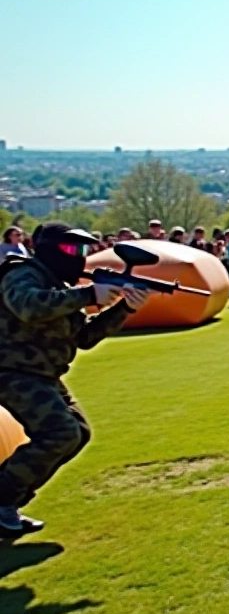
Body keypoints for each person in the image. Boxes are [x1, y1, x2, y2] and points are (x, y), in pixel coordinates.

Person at [0, 223, 149, 537]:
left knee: (77, 432)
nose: (79, 258)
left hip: (43, 374)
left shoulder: (59, 283)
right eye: (71, 250)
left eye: (84, 251)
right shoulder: (22, 274)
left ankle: (7, 502)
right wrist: (88, 294)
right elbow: (28, 307)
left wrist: (124, 307)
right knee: (60, 432)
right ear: (50, 249)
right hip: (10, 371)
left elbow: (84, 337)